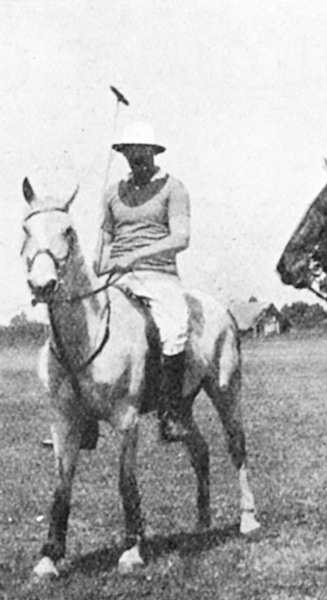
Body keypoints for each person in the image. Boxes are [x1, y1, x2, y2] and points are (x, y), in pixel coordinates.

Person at [93, 121, 193, 442]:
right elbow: (105, 245)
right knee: (82, 327)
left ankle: (170, 415)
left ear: (153, 151)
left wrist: (136, 257)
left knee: (174, 329)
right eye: (128, 151)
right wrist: (101, 260)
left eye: (141, 151)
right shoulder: (112, 194)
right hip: (119, 278)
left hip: (157, 275)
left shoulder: (173, 188)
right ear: (122, 154)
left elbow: (181, 237)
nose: (135, 157)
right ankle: (82, 420)